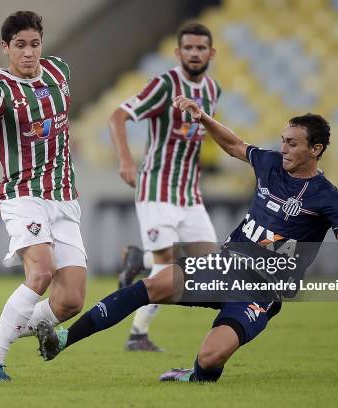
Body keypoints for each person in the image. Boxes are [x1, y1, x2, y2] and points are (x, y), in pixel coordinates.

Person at [35, 95, 338, 383]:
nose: (283, 148)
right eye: (283, 141)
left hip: (261, 290)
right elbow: (234, 145)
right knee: (148, 288)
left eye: (292, 144)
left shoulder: (327, 196)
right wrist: (203, 118)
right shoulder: (270, 163)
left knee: (210, 358)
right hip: (224, 265)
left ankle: (194, 376)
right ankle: (63, 340)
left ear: (315, 149)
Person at [0, 11, 86, 381]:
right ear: (5, 48)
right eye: (20, 46)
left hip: (65, 198)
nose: (28, 53)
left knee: (70, 301)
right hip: (23, 196)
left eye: (35, 44)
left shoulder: (60, 72)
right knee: (41, 272)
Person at [110, 22, 221, 351]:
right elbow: (118, 116)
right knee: (167, 271)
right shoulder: (164, 85)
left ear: (211, 53)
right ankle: (137, 335)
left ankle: (138, 259)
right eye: (188, 48)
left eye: (201, 48)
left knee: (212, 272)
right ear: (178, 52)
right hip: (157, 189)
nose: (194, 53)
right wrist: (126, 161)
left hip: (190, 194)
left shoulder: (213, 90)